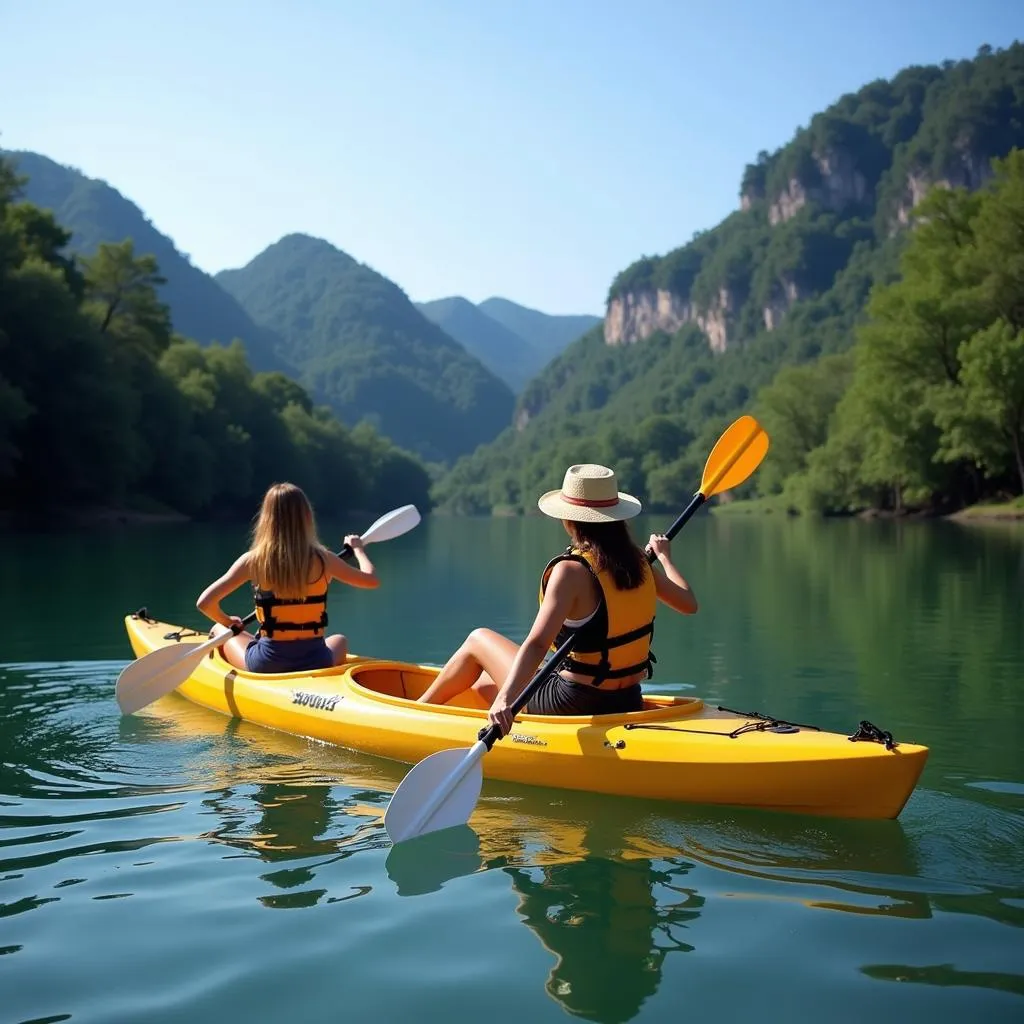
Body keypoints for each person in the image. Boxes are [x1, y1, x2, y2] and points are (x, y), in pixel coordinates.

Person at [417, 464, 697, 732]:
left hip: (572, 704)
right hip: (627, 699)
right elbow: (688, 603)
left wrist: (506, 700)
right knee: (485, 686)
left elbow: (538, 643)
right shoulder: (639, 562)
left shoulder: (570, 571)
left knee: (478, 641)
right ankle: (472, 708)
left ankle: (415, 713)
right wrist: (665, 559)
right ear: (616, 517)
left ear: (569, 520)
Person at [195, 482, 379, 673]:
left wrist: (228, 622)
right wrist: (358, 549)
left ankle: (214, 670)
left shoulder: (254, 561)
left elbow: (205, 603)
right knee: (339, 640)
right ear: (307, 517)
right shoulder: (324, 559)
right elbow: (371, 580)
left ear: (267, 519)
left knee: (219, 629)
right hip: (317, 660)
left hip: (268, 663)